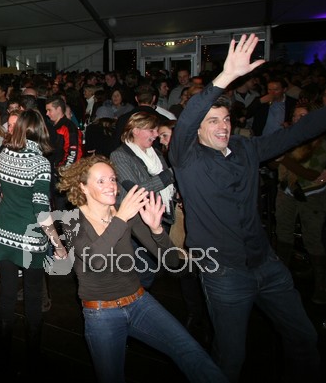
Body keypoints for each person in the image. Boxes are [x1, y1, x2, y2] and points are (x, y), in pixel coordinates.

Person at [168, 33, 326, 382]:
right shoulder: (186, 157)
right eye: (213, 121)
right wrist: (226, 75)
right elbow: (187, 119)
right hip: (224, 272)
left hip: (266, 264)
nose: (223, 126)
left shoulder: (246, 149)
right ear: (197, 129)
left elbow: (298, 133)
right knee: (231, 358)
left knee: (304, 337)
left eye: (226, 119)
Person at [57, 156, 227, 383]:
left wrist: (157, 229)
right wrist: (120, 218)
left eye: (112, 179)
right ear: (83, 187)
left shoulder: (124, 214)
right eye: (101, 181)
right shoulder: (72, 221)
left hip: (139, 302)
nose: (111, 185)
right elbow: (96, 260)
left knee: (191, 353)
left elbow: (171, 261)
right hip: (102, 313)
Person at [0, 110, 65, 375]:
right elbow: (42, 212)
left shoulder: (4, 155)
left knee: (8, 292)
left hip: (3, 232)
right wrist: (58, 244)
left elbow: (3, 194)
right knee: (33, 296)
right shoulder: (41, 164)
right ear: (40, 130)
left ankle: (4, 356)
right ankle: (33, 357)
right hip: (30, 238)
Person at [273, 104, 326, 304]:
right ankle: (280, 280)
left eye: (304, 115)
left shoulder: (321, 143)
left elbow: (312, 174)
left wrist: (283, 158)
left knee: (312, 238)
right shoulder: (287, 137)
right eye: (296, 116)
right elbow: (271, 163)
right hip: (286, 192)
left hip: (311, 195)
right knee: (283, 234)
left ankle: (321, 285)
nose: (299, 119)